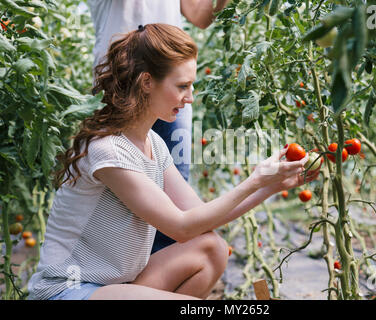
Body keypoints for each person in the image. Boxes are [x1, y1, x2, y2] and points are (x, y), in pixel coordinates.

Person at [26, 24, 320, 300]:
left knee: (211, 249)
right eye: (182, 86)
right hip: (69, 289)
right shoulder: (108, 150)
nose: (190, 98)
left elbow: (199, 219)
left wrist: (271, 185)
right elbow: (180, 227)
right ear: (147, 82)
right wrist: (256, 179)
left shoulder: (154, 143)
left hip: (117, 286)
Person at [86, 0, 231, 254]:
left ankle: (159, 277)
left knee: (176, 193)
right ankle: (121, 278)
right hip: (120, 86)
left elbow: (201, 16)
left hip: (171, 86)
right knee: (126, 200)